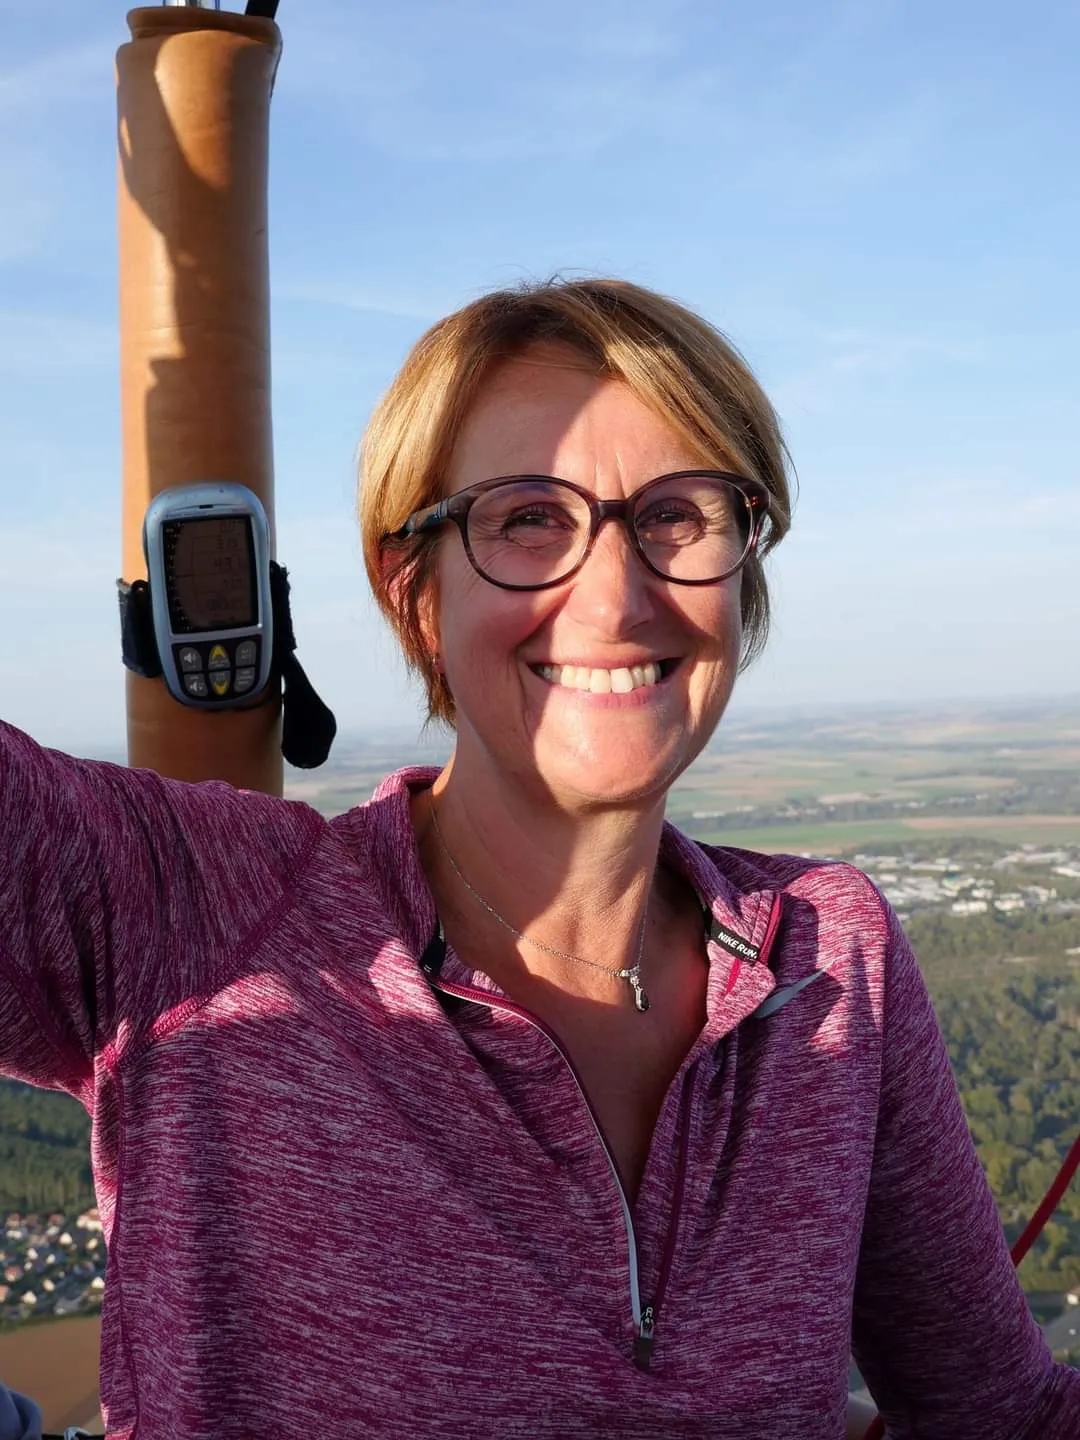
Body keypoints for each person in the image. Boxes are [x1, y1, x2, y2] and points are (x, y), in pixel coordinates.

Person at [1, 278, 1076, 1440]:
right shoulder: (186, 911)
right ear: (412, 592)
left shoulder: (832, 951)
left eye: (678, 514)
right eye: (526, 517)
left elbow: (1000, 1413)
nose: (615, 600)